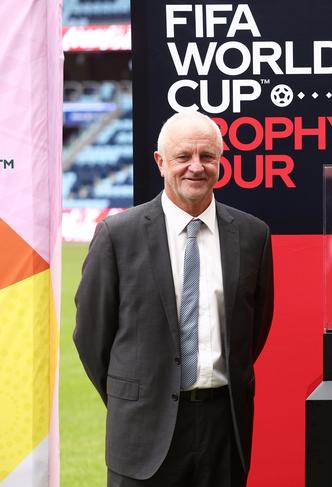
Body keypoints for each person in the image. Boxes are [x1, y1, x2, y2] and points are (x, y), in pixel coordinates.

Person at [74, 111, 274, 486]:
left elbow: (253, 330)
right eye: (183, 157)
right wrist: (136, 394)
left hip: (223, 428)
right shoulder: (117, 236)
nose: (196, 167)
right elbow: (91, 336)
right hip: (142, 431)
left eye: (207, 156)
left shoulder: (252, 235)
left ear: (220, 161)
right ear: (160, 162)